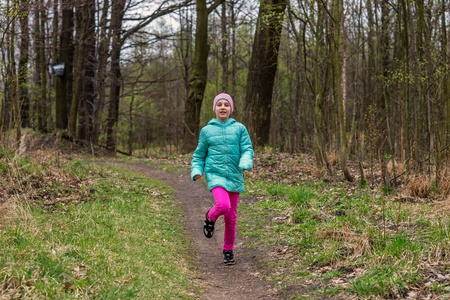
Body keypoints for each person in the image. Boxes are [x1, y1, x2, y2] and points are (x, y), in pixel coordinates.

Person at [191, 93, 254, 265]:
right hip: (215, 174)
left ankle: (228, 250)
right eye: (219, 104)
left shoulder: (240, 129)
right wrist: (197, 170)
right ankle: (210, 217)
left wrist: (245, 161)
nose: (223, 107)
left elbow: (247, 149)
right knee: (223, 205)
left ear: (231, 109)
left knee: (231, 217)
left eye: (227, 104)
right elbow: (199, 155)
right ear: (215, 109)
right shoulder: (207, 131)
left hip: (234, 175)